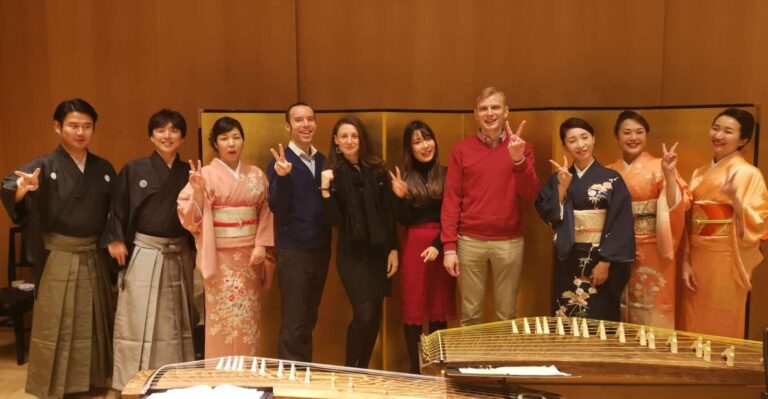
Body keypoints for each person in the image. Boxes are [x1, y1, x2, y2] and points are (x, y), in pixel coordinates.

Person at [1, 98, 115, 398]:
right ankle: (56, 384)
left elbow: (115, 212)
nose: (80, 132)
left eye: (87, 126)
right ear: (57, 127)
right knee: (57, 321)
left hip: (92, 254)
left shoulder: (103, 168)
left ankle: (94, 379)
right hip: (59, 255)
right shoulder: (43, 166)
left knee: (93, 319)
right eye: (73, 125)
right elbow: (10, 185)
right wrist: (23, 190)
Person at [104, 109, 196, 389]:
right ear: (151, 136)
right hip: (146, 250)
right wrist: (115, 238)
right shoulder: (134, 169)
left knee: (178, 318)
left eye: (174, 130)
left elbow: (199, 214)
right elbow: (116, 207)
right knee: (137, 315)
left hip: (179, 252)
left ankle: (177, 377)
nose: (167, 136)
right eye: (160, 130)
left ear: (182, 137)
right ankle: (134, 378)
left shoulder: (190, 172)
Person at [177, 116, 275, 358]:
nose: (231, 143)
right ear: (215, 144)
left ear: (243, 141)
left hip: (250, 256)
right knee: (220, 316)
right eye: (224, 138)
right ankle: (219, 370)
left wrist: (261, 245)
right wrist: (198, 193)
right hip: (218, 256)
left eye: (236, 137)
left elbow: (266, 210)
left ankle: (247, 369)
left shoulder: (256, 175)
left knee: (248, 315)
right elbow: (187, 216)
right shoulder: (206, 174)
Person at [441, 87, 539, 326]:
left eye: (495, 107)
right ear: (475, 114)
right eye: (483, 108)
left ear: (506, 112)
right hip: (469, 241)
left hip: (509, 241)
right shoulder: (461, 150)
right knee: (470, 316)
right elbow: (452, 199)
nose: (489, 113)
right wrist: (449, 247)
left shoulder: (522, 147)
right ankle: (471, 354)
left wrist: (518, 159)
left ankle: (502, 354)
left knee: (506, 316)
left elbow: (530, 192)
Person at [535, 117, 635, 321]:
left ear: (593, 139)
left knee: (599, 314)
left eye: (584, 137)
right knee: (567, 312)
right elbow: (547, 213)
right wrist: (562, 188)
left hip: (600, 257)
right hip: (568, 258)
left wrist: (606, 262)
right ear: (565, 146)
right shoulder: (558, 179)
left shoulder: (612, 179)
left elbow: (621, 222)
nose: (580, 145)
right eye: (572, 141)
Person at [680, 108, 768, 338]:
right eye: (716, 128)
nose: (718, 135)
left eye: (728, 131)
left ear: (743, 140)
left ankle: (722, 359)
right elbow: (688, 220)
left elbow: (760, 222)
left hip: (726, 257)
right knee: (693, 313)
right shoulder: (699, 172)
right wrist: (685, 260)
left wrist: (737, 200)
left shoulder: (748, 173)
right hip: (697, 255)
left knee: (722, 314)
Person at [320, 115, 398, 368]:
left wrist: (393, 249)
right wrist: (325, 190)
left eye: (354, 135)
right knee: (364, 313)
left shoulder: (377, 171)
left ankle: (362, 370)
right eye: (344, 136)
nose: (349, 141)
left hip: (378, 251)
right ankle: (349, 370)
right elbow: (333, 219)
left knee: (374, 315)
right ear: (336, 140)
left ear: (362, 139)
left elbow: (388, 214)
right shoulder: (332, 174)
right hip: (351, 255)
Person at [606, 111, 688, 328]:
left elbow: (680, 204)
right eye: (627, 132)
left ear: (646, 135)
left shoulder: (660, 166)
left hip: (654, 246)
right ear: (617, 137)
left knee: (654, 300)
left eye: (639, 132)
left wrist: (669, 174)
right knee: (620, 301)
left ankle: (655, 347)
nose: (633, 137)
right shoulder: (609, 171)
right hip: (618, 249)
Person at [389, 120, 455, 374]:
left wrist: (439, 244)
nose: (425, 146)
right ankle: (416, 372)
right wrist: (400, 198)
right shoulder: (404, 178)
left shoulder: (447, 173)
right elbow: (403, 220)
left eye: (427, 139)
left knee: (439, 311)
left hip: (443, 245)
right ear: (410, 148)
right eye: (417, 142)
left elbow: (453, 214)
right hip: (413, 247)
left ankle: (437, 370)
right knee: (414, 310)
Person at [267, 102, 331, 362]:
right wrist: (283, 177)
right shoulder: (281, 162)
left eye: (310, 119)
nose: (306, 124)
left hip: (321, 248)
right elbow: (277, 207)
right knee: (293, 321)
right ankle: (289, 379)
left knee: (309, 318)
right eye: (298, 120)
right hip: (293, 251)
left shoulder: (323, 160)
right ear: (288, 126)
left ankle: (304, 373)